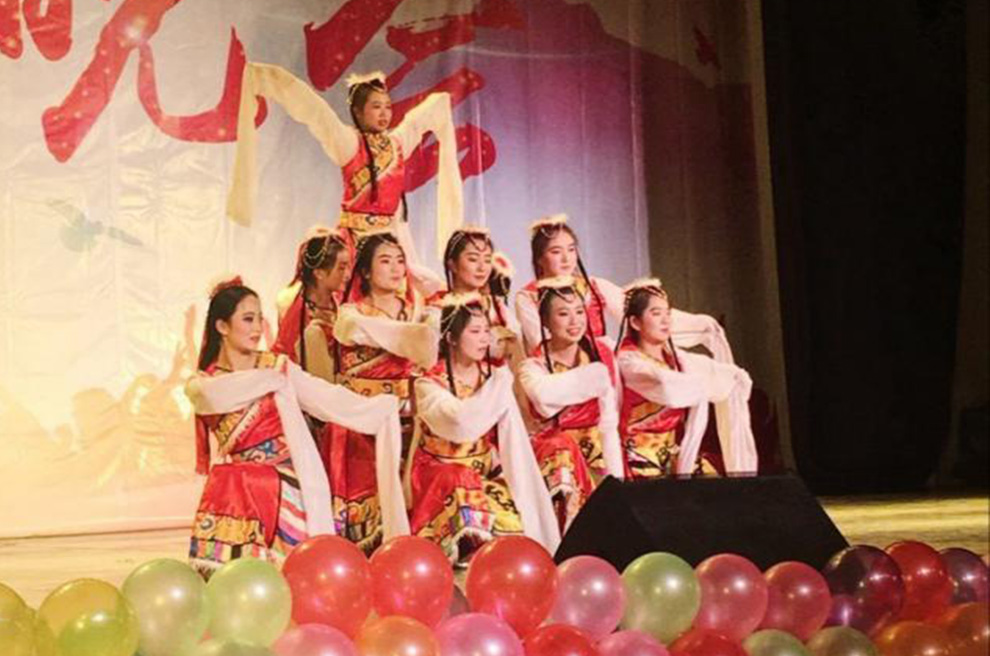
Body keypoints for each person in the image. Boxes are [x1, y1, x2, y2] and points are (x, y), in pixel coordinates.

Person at [186, 278, 406, 577]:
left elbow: (326, 397)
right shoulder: (206, 384)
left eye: (259, 319)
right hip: (245, 484)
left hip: (286, 481)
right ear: (222, 327)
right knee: (231, 476)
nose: (256, 328)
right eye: (248, 319)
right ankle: (234, 574)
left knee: (239, 479)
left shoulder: (277, 369)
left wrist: (383, 407)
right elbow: (212, 397)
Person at [226, 64, 461, 290]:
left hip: (391, 242)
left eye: (388, 107)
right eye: (376, 106)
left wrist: (442, 102)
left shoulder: (397, 143)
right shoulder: (349, 143)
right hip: (354, 243)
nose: (384, 113)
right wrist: (268, 78)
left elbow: (422, 118)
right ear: (358, 111)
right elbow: (316, 112)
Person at [407, 293, 559, 564]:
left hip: (483, 474)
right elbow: (459, 423)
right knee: (460, 481)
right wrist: (498, 385)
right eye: (475, 331)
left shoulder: (492, 379)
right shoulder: (429, 384)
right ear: (451, 338)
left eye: (487, 331)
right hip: (441, 475)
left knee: (515, 524)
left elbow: (508, 437)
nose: (484, 339)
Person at [330, 231, 440, 553]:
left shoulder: (419, 311)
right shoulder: (351, 314)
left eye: (400, 261)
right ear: (365, 271)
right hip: (361, 419)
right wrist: (418, 336)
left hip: (410, 417)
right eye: (385, 261)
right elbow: (359, 333)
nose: (395, 268)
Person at [515, 214, 733, 363]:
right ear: (540, 258)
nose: (566, 258)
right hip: (558, 369)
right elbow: (539, 343)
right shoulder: (529, 297)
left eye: (571, 250)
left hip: (602, 363)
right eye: (556, 252)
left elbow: (638, 311)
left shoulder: (594, 286)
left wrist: (701, 325)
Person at [616, 279, 758, 478]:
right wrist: (698, 385)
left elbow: (713, 373)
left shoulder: (676, 359)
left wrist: (734, 377)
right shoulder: (628, 361)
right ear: (635, 322)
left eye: (668, 313)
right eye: (656, 314)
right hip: (638, 457)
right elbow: (665, 385)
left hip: (672, 454)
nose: (666, 321)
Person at [517, 276, 624, 532]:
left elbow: (609, 419)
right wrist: (593, 377)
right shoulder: (533, 367)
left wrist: (617, 476)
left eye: (579, 311)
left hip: (596, 448)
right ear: (545, 321)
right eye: (564, 314)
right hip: (555, 453)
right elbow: (544, 399)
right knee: (561, 449)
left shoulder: (601, 353)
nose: (575, 321)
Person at [429, 226, 520, 364]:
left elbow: (517, 349)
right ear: (452, 265)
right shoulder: (439, 311)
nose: (482, 268)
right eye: (473, 259)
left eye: (487, 260)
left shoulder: (497, 308)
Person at [272, 226, 351, 382]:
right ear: (319, 273)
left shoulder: (339, 302)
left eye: (348, 267)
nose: (348, 274)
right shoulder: (298, 316)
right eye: (341, 268)